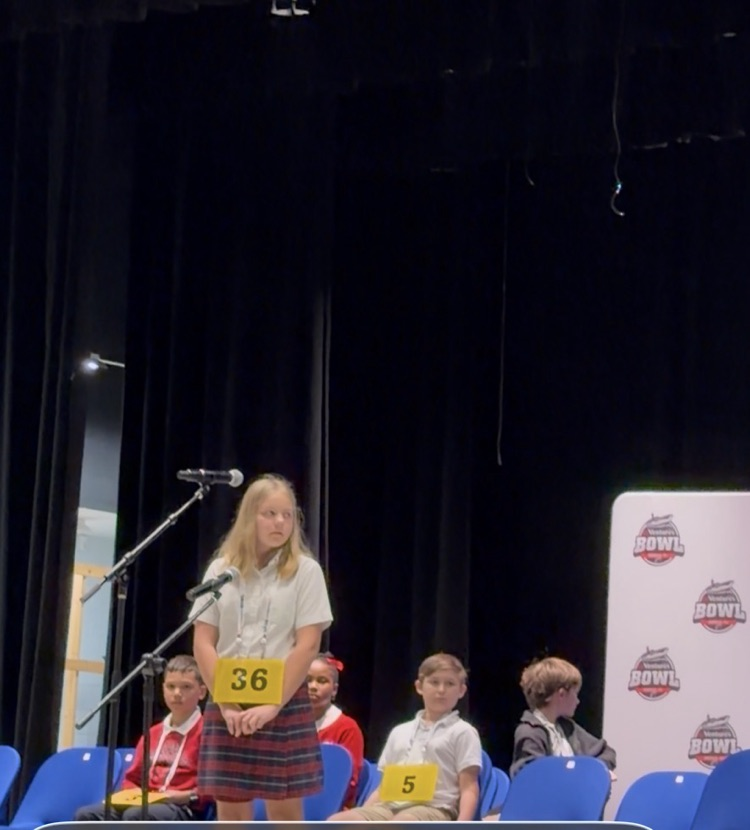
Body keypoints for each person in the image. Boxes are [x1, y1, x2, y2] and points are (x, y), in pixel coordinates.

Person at [192, 473, 333, 822]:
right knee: (231, 814)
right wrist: (225, 702)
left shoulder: (306, 572)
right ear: (249, 517)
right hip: (227, 696)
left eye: (287, 515)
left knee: (285, 813)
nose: (280, 522)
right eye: (270, 514)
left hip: (282, 696)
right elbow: (203, 641)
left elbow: (308, 645)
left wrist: (272, 704)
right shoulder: (221, 569)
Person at [328, 653, 482, 822]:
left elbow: (469, 787)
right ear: (419, 687)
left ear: (461, 691)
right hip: (389, 807)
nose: (441, 690)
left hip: (435, 809)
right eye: (434, 682)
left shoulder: (463, 732)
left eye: (450, 684)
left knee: (402, 822)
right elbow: (383, 787)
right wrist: (364, 813)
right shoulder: (399, 732)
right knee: (338, 822)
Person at [75, 654, 208, 821]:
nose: (177, 693)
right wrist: (134, 793)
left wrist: (181, 796)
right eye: (171, 686)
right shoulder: (153, 733)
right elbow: (132, 778)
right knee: (87, 815)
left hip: (183, 807)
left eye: (186, 687)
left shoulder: (207, 733)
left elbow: (211, 789)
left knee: (136, 815)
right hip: (147, 802)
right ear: (163, 689)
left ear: (202, 692)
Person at [510, 656, 617, 779]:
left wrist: (593, 771)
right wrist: (577, 774)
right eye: (575, 694)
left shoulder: (567, 728)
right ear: (561, 694)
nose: (577, 701)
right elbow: (534, 777)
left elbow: (607, 752)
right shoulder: (529, 732)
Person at [308, 652, 365, 808]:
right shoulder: (287, 725)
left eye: (322, 681)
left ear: (334, 690)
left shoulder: (347, 728)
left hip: (332, 806)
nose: (313, 687)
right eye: (307, 680)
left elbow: (350, 781)